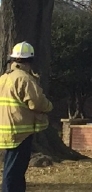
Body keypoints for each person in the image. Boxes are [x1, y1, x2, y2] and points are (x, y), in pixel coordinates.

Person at [0, 42, 52, 192]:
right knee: (13, 173)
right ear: (29, 61)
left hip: (6, 130)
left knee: (14, 171)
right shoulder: (24, 79)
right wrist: (49, 106)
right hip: (20, 133)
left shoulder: (4, 78)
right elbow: (37, 103)